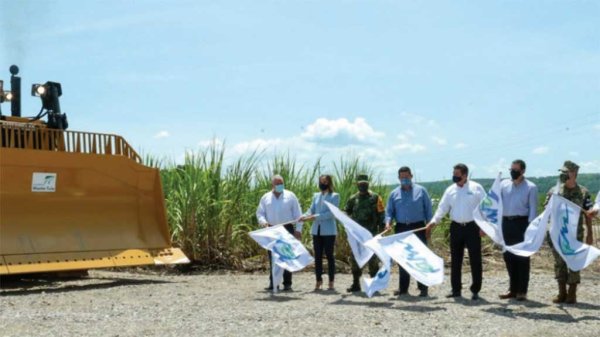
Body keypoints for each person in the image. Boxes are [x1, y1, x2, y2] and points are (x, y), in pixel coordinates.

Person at [426, 163, 486, 300]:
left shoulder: (477, 188)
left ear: (465, 175)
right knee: (456, 259)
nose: (454, 177)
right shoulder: (450, 190)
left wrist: (484, 227)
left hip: (473, 227)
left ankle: (475, 289)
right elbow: (442, 208)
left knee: (475, 259)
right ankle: (456, 289)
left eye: (457, 175)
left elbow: (486, 208)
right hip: (456, 227)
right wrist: (434, 222)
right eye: (453, 174)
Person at [545, 161, 594, 304]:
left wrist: (590, 234)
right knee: (559, 263)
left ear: (574, 174)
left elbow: (588, 214)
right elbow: (547, 210)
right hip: (558, 233)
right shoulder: (554, 191)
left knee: (574, 262)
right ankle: (562, 293)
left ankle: (572, 293)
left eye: (567, 172)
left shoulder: (583, 192)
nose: (563, 174)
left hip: (575, 234)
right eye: (562, 172)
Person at [384, 166, 432, 297]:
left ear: (411, 176)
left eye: (407, 177)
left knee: (420, 257)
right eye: (402, 177)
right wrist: (388, 224)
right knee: (403, 258)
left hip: (419, 227)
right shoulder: (394, 194)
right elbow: (389, 212)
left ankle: (423, 288)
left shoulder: (421, 191)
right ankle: (403, 289)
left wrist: (429, 226)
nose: (404, 179)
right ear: (399, 178)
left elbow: (428, 210)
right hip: (401, 228)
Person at [499, 159, 538, 301]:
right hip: (506, 223)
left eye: (515, 170)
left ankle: (522, 290)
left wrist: (531, 230)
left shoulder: (531, 187)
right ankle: (512, 289)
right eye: (511, 169)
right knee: (508, 257)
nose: (512, 172)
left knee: (522, 257)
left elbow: (533, 210)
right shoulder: (503, 184)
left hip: (522, 224)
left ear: (523, 171)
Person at [256, 174, 303, 292]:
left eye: (281, 183)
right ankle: (273, 283)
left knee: (287, 255)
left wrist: (298, 230)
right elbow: (260, 213)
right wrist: (263, 222)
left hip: (287, 228)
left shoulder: (291, 196)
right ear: (272, 184)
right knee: (273, 256)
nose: (279, 185)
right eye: (277, 183)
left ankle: (287, 283)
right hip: (271, 229)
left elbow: (298, 214)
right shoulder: (266, 197)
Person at [345, 174, 385, 293]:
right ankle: (356, 284)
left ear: (368, 183)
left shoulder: (376, 197)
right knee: (355, 259)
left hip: (371, 234)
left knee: (373, 260)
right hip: (357, 236)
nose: (363, 185)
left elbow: (382, 214)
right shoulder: (353, 199)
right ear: (357, 184)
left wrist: (381, 232)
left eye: (365, 183)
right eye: (360, 183)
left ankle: (374, 285)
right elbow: (346, 212)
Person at [300, 175, 340, 291]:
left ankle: (331, 281)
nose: (323, 183)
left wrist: (314, 217)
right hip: (316, 231)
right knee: (317, 256)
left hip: (329, 231)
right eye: (321, 181)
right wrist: (304, 216)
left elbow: (331, 214)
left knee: (329, 255)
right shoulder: (316, 196)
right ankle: (318, 280)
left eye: (325, 181)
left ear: (329, 183)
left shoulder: (335, 196)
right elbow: (311, 210)